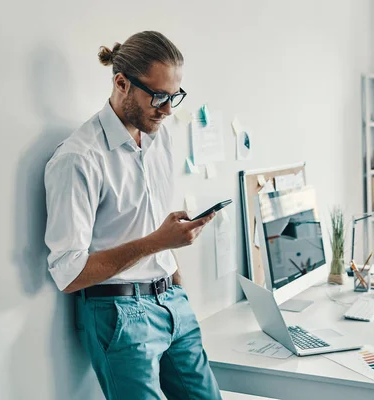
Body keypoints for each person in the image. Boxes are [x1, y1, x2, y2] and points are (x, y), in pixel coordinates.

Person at [44, 31, 222, 399]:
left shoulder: (159, 137)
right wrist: (158, 242)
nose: (168, 110)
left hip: (172, 302)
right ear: (121, 83)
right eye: (158, 96)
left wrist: (177, 288)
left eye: (175, 97)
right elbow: (68, 273)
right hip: (119, 314)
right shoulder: (78, 158)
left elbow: (150, 226)